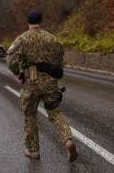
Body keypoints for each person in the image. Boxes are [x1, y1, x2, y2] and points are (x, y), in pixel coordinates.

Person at [6, 9, 78, 162]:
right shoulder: (52, 38)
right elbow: (59, 62)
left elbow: (11, 59)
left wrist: (17, 73)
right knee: (55, 113)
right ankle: (68, 140)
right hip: (50, 82)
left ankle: (33, 151)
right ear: (41, 21)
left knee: (30, 116)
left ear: (28, 22)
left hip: (30, 84)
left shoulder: (22, 39)